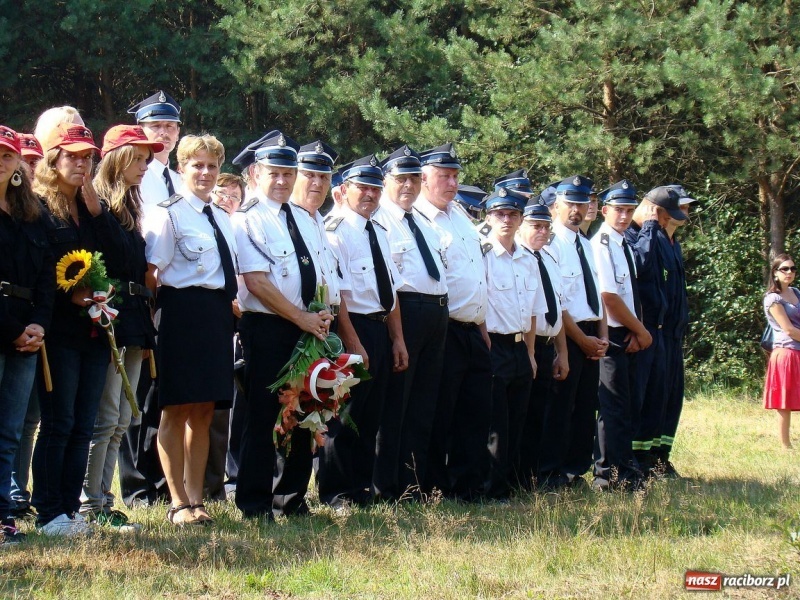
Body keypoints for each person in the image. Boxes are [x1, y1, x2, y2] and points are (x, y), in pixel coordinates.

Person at [230, 132, 334, 519]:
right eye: (274, 173)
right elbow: (256, 282)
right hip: (270, 327)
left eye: (289, 173)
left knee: (306, 411)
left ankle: (291, 497)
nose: (282, 181)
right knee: (262, 416)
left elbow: (319, 272)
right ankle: (255, 502)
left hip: (310, 329)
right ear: (255, 173)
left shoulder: (305, 219)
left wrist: (321, 314)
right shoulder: (247, 219)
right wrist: (302, 317)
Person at [32, 123, 127, 536]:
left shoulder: (89, 208)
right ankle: (50, 510)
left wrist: (96, 210)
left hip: (93, 331)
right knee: (60, 421)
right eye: (72, 156)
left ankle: (70, 510)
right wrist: (64, 295)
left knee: (84, 422)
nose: (82, 163)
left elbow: (120, 259)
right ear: (53, 159)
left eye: (88, 157)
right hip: (59, 331)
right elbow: (36, 269)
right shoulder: (38, 207)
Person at [144, 134, 237, 526]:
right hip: (180, 314)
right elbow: (151, 275)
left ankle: (197, 499)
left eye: (212, 166)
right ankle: (178, 502)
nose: (205, 173)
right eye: (197, 165)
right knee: (175, 409)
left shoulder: (221, 217)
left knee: (203, 411)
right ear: (182, 168)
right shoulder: (167, 213)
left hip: (216, 316)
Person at [78, 125, 161, 530]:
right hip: (109, 313)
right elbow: (106, 256)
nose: (145, 166)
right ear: (118, 158)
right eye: (139, 158)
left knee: (126, 413)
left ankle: (102, 499)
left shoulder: (127, 206)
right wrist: (98, 215)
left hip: (134, 315)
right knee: (107, 413)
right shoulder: (94, 203)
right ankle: (89, 501)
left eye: (147, 159)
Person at [318, 154, 408, 508]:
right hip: (351, 328)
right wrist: (354, 343)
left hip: (380, 328)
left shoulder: (379, 232)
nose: (370, 195)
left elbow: (392, 290)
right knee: (344, 417)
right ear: (344, 191)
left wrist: (398, 338)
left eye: (374, 188)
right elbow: (336, 296)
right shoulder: (335, 231)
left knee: (371, 417)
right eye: (362, 188)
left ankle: (360, 489)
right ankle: (337, 493)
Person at [371, 145, 448, 501]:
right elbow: (389, 285)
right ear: (386, 180)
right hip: (405, 313)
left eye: (414, 178)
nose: (408, 185)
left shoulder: (423, 221)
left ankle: (412, 484)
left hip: (435, 313)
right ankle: (385, 485)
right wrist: (397, 334)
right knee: (395, 406)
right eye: (400, 178)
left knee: (423, 404)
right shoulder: (380, 220)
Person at [416, 143, 492, 502]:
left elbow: (474, 275)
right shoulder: (418, 219)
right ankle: (434, 486)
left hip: (472, 328)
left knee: (474, 412)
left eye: (455, 176)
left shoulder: (460, 215)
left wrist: (482, 327)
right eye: (443, 176)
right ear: (424, 178)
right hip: (443, 328)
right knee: (439, 412)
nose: (451, 183)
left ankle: (468, 485)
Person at [119, 90, 182, 509]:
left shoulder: (177, 178)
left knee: (160, 390)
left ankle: (158, 477)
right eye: (155, 126)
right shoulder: (138, 176)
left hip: (171, 292)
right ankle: (137, 484)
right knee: (137, 392)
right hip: (145, 287)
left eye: (170, 126)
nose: (163, 133)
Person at [0, 126, 54, 544]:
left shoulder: (32, 214)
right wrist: (15, 329)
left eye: (7, 154)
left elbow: (46, 281)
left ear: (19, 163)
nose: (2, 161)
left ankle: (4, 515)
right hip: (6, 327)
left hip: (28, 330)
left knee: (11, 429)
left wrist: (37, 325)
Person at [538, 175, 607, 490]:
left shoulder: (586, 244)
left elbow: (598, 295)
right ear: (555, 206)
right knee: (560, 407)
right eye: (571, 204)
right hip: (568, 335)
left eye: (582, 203)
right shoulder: (552, 244)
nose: (577, 210)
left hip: (593, 334)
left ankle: (575, 469)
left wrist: (602, 336)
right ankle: (551, 471)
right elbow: (557, 301)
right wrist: (581, 340)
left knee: (584, 407)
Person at [481, 187, 546, 498]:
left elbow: (533, 311)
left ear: (521, 219)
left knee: (518, 419)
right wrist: (486, 347)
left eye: (512, 214)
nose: (506, 219)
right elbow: (479, 306)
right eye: (499, 214)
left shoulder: (527, 259)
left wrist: (531, 353)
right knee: (496, 424)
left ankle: (508, 482)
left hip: (521, 347)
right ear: (489, 217)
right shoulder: (483, 255)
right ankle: (492, 488)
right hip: (495, 344)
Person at [590, 180, 650, 491]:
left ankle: (625, 468)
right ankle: (608, 475)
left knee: (625, 406)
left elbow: (630, 294)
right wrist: (642, 331)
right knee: (612, 408)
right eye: (619, 210)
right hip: (611, 334)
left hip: (626, 332)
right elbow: (609, 297)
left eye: (629, 210)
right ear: (604, 211)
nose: (625, 216)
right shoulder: (601, 243)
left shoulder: (622, 242)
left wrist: (636, 331)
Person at [626, 186, 686, 475]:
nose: (666, 223)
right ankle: (635, 460)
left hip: (665, 331)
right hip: (641, 330)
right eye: (664, 216)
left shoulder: (661, 237)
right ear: (653, 209)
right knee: (641, 400)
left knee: (664, 399)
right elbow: (642, 269)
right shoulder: (634, 235)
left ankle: (655, 457)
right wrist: (649, 226)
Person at [516, 200, 569, 489]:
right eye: (536, 226)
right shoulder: (519, 257)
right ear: (522, 226)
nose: (543, 232)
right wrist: (530, 351)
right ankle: (521, 477)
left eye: (546, 226)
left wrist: (562, 351)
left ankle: (540, 474)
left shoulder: (548, 257)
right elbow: (527, 310)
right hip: (528, 344)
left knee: (543, 416)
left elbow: (556, 308)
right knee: (525, 415)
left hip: (550, 341)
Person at [655, 184, 696, 476]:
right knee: (655, 398)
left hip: (674, 333)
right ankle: (647, 459)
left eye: (686, 206)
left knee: (671, 397)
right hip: (658, 332)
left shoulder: (674, 244)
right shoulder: (654, 240)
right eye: (680, 206)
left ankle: (662, 457)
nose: (685, 211)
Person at [763, 254, 800, 449]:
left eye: (793, 269)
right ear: (775, 272)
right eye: (784, 269)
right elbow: (788, 329)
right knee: (784, 402)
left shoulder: (796, 292)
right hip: (786, 352)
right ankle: (786, 445)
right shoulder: (773, 298)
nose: (789, 272)